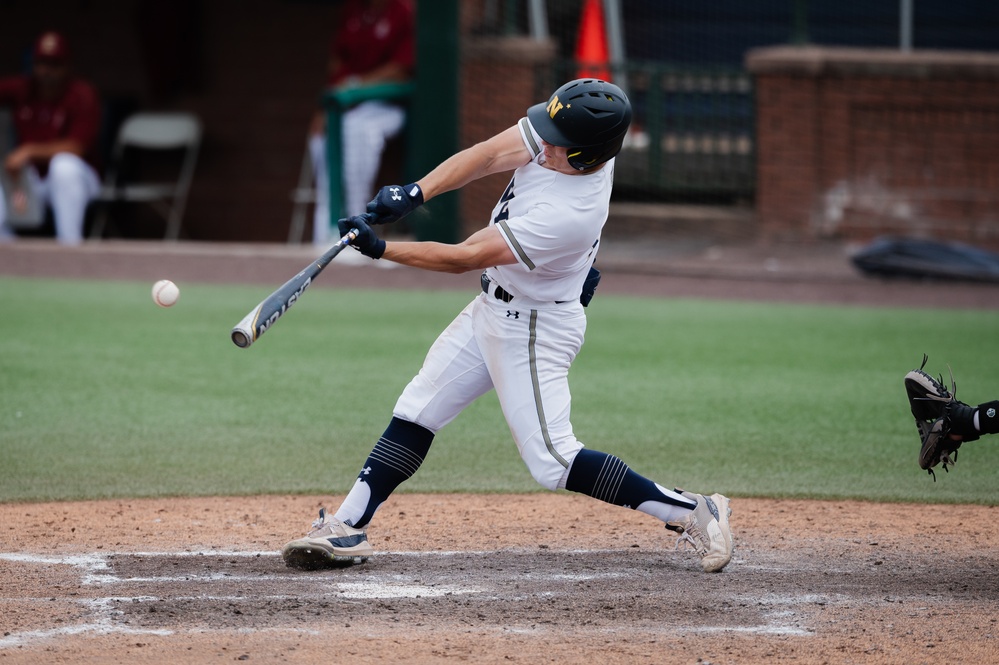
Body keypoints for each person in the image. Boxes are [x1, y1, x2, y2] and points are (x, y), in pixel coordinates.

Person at [282, 79, 734, 573]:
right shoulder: (567, 140)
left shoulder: (570, 213)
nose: (541, 142)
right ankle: (347, 526)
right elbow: (485, 156)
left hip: (534, 328)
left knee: (554, 461)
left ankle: (692, 510)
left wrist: (380, 249)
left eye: (555, 141)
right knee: (419, 408)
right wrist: (414, 192)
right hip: (493, 307)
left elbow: (465, 256)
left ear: (585, 155)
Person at [308, 0, 415, 246]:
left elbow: (401, 70)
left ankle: (354, 228)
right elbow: (338, 61)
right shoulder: (355, 9)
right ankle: (325, 235)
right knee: (320, 138)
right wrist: (325, 107)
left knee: (359, 131)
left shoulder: (403, 11)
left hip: (387, 105)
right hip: (348, 107)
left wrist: (356, 84)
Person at [0, 31, 102, 244]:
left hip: (78, 181)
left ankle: (69, 248)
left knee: (64, 165)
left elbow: (76, 147)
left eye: (54, 64)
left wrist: (28, 152)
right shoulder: (23, 88)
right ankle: (9, 258)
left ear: (67, 66)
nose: (47, 71)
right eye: (42, 63)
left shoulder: (82, 94)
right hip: (30, 183)